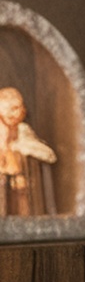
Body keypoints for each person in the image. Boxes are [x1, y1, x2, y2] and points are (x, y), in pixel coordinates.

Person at [0, 85, 57, 216]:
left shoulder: (23, 131)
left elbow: (49, 155)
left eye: (18, 108)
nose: (15, 113)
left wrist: (19, 147)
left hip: (18, 187)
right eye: (11, 109)